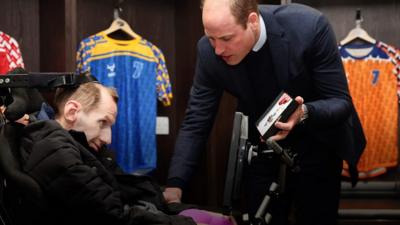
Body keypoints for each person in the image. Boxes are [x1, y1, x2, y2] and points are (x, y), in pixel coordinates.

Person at [164, 1, 366, 225]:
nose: (218, 50)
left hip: (318, 142)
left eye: (226, 39)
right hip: (262, 145)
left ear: (251, 21)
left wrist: (303, 112)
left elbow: (340, 101)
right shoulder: (208, 50)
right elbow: (197, 119)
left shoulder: (308, 26)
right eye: (211, 38)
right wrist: (176, 183)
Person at [18, 81, 235, 225]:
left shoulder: (72, 145)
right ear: (72, 111)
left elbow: (125, 193)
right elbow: (117, 218)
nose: (107, 138)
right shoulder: (56, 152)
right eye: (102, 122)